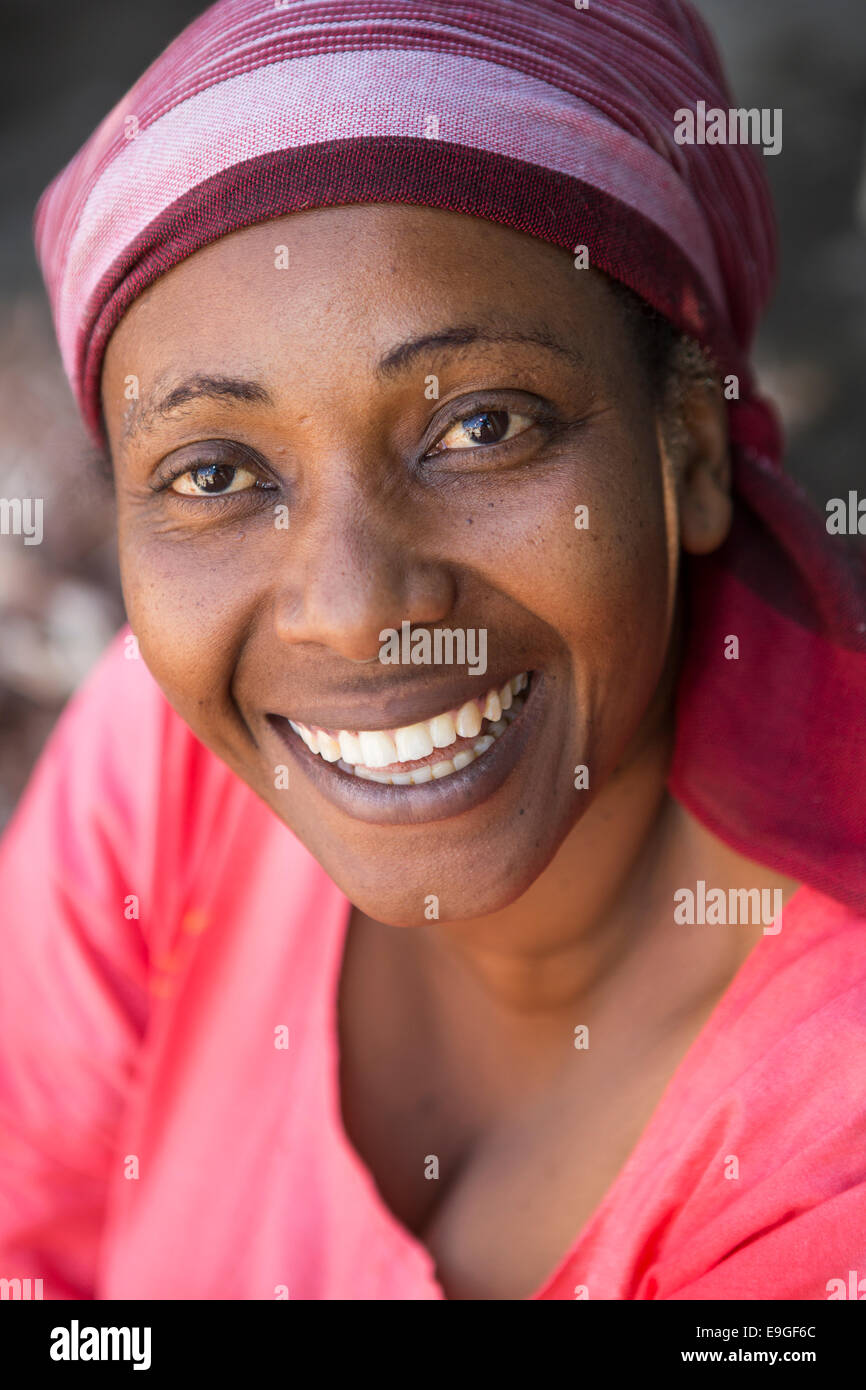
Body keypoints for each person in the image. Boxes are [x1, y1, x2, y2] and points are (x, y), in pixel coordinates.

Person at [1, 0, 864, 1301]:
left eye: (480, 427)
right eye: (218, 469)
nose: (351, 610)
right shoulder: (156, 766)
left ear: (684, 451)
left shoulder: (828, 1139)